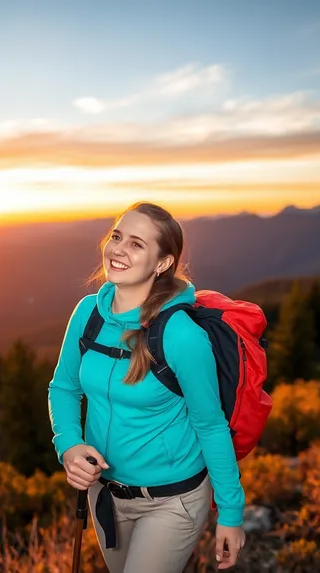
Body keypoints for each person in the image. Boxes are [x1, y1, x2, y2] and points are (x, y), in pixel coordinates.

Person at [48, 202, 246, 573]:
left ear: (162, 264)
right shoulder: (87, 313)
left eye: (137, 244)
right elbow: (63, 387)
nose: (118, 249)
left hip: (172, 501)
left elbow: (210, 424)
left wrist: (231, 513)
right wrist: (69, 445)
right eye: (117, 236)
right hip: (104, 493)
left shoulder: (181, 335)